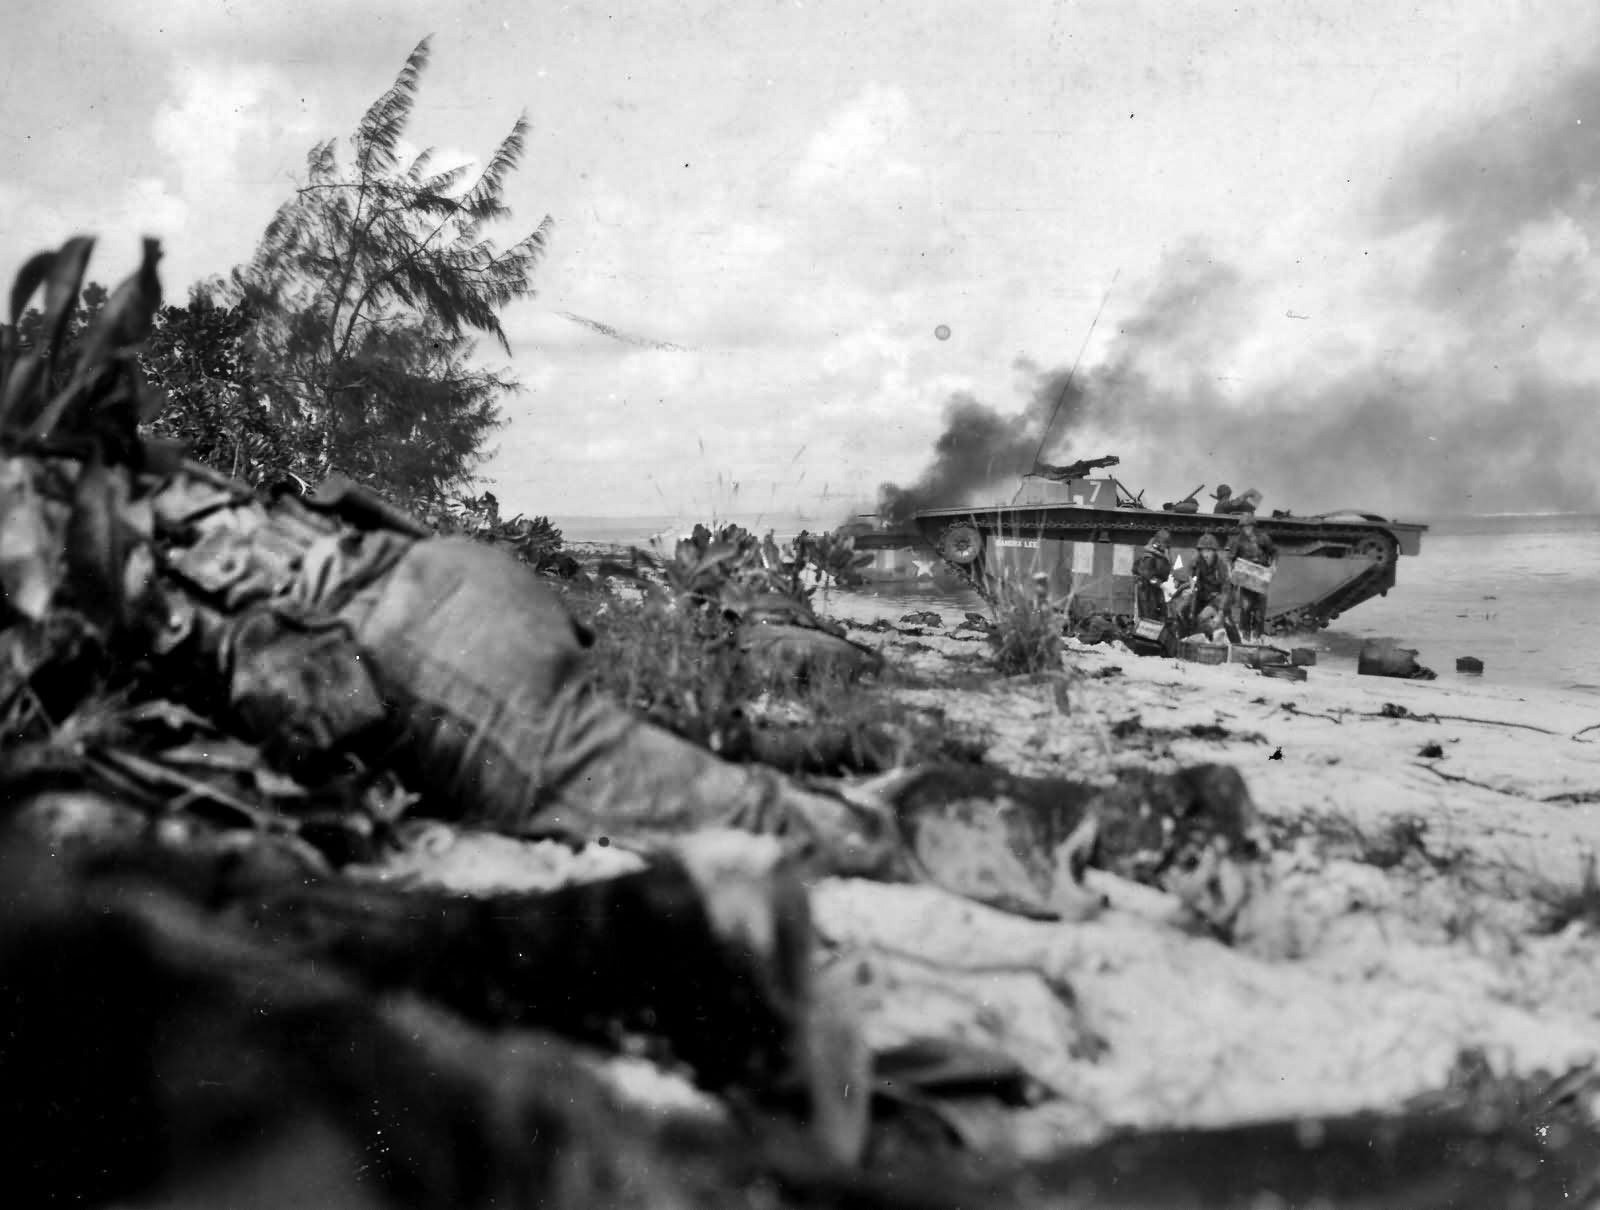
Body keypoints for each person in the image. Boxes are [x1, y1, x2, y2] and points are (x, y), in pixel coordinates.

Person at [1224, 515, 1278, 643]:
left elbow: (1274, 552)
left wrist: (1273, 566)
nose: (1247, 529)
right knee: (1246, 608)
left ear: (1254, 526)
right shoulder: (1238, 541)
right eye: (1244, 527)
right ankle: (1246, 636)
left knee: (1260, 610)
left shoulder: (1263, 538)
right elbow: (1229, 558)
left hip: (1260, 577)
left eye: (1249, 526)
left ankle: (1258, 636)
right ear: (1241, 528)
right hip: (1246, 578)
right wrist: (1230, 572)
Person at [1187, 531, 1235, 640]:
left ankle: (1238, 645)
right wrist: (1191, 609)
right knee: (1186, 613)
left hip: (1218, 598)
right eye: (1203, 551)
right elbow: (1192, 585)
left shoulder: (1221, 564)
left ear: (1214, 551)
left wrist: (1221, 610)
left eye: (1209, 551)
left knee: (1224, 620)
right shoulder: (1195, 563)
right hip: (1201, 596)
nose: (1206, 554)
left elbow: (1226, 589)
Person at [1133, 530, 1172, 622]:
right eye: (1164, 544)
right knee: (1149, 617)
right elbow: (1148, 576)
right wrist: (1163, 586)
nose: (1166, 547)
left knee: (1159, 615)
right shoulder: (1149, 556)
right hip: (1146, 590)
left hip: (1155, 589)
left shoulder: (1160, 555)